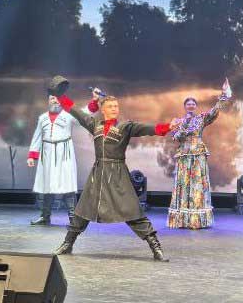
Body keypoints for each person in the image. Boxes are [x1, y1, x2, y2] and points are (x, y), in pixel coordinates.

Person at [52, 86, 174, 261]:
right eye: (110, 106)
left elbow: (147, 129)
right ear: (103, 110)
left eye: (116, 106)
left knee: (131, 210)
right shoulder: (94, 124)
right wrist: (60, 96)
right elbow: (75, 111)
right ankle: (67, 243)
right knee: (83, 209)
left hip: (117, 174)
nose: (114, 109)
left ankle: (156, 247)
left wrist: (168, 126)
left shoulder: (125, 127)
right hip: (98, 174)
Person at [166, 90, 230, 229]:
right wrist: (184, 128)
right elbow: (175, 137)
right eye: (188, 104)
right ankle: (182, 219)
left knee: (197, 183)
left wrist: (222, 99)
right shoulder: (179, 121)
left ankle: (197, 219)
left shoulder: (201, 118)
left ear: (195, 106)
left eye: (193, 104)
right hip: (184, 154)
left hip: (198, 152)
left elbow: (213, 112)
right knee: (184, 183)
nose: (190, 105)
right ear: (185, 106)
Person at [27, 92, 79, 226]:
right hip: (47, 153)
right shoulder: (42, 118)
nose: (55, 101)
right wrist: (32, 156)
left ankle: (73, 218)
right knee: (47, 184)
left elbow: (83, 115)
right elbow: (37, 136)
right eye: (52, 98)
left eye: (57, 98)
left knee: (67, 184)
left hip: (64, 153)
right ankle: (45, 217)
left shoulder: (69, 115)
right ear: (48, 101)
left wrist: (94, 102)